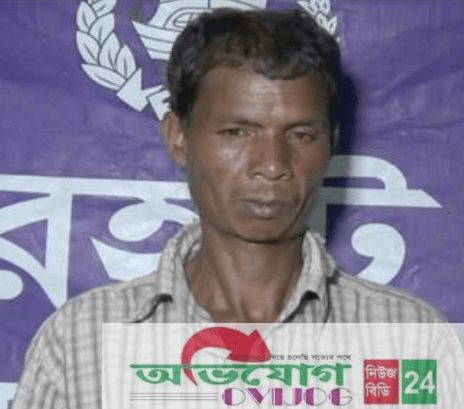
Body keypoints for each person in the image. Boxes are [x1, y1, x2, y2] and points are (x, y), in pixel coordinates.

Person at [13, 7, 449, 408]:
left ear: (330, 144)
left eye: (300, 135)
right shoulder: (81, 340)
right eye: (237, 132)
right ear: (179, 137)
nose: (272, 165)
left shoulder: (409, 341)